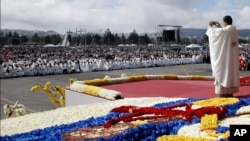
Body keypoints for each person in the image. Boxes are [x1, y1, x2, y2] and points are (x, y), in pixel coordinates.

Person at [206, 15, 240, 97]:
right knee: (231, 72)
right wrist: (220, 28)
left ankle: (222, 92)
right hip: (231, 58)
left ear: (225, 22)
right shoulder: (234, 31)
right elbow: (223, 33)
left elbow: (214, 35)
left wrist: (210, 26)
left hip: (224, 58)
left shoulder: (225, 31)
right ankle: (230, 92)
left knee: (223, 71)